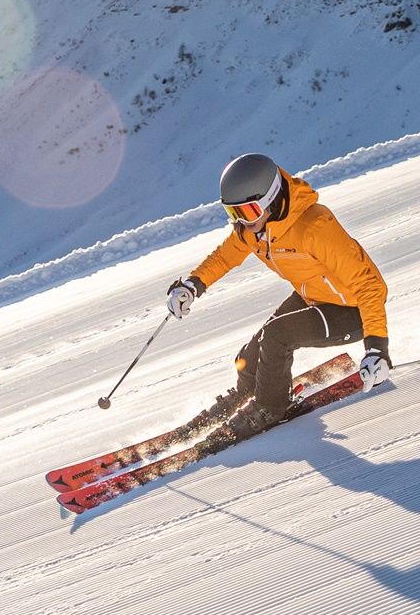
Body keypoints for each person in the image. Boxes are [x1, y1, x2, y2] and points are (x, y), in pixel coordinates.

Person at [166, 153, 390, 439]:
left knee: (277, 335)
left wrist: (376, 350)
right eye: (233, 214)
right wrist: (192, 285)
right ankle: (247, 390)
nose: (242, 223)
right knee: (250, 357)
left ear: (271, 199)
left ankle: (271, 407)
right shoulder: (255, 230)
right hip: (315, 296)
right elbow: (224, 258)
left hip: (354, 309)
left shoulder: (314, 227)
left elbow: (368, 286)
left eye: (247, 212)